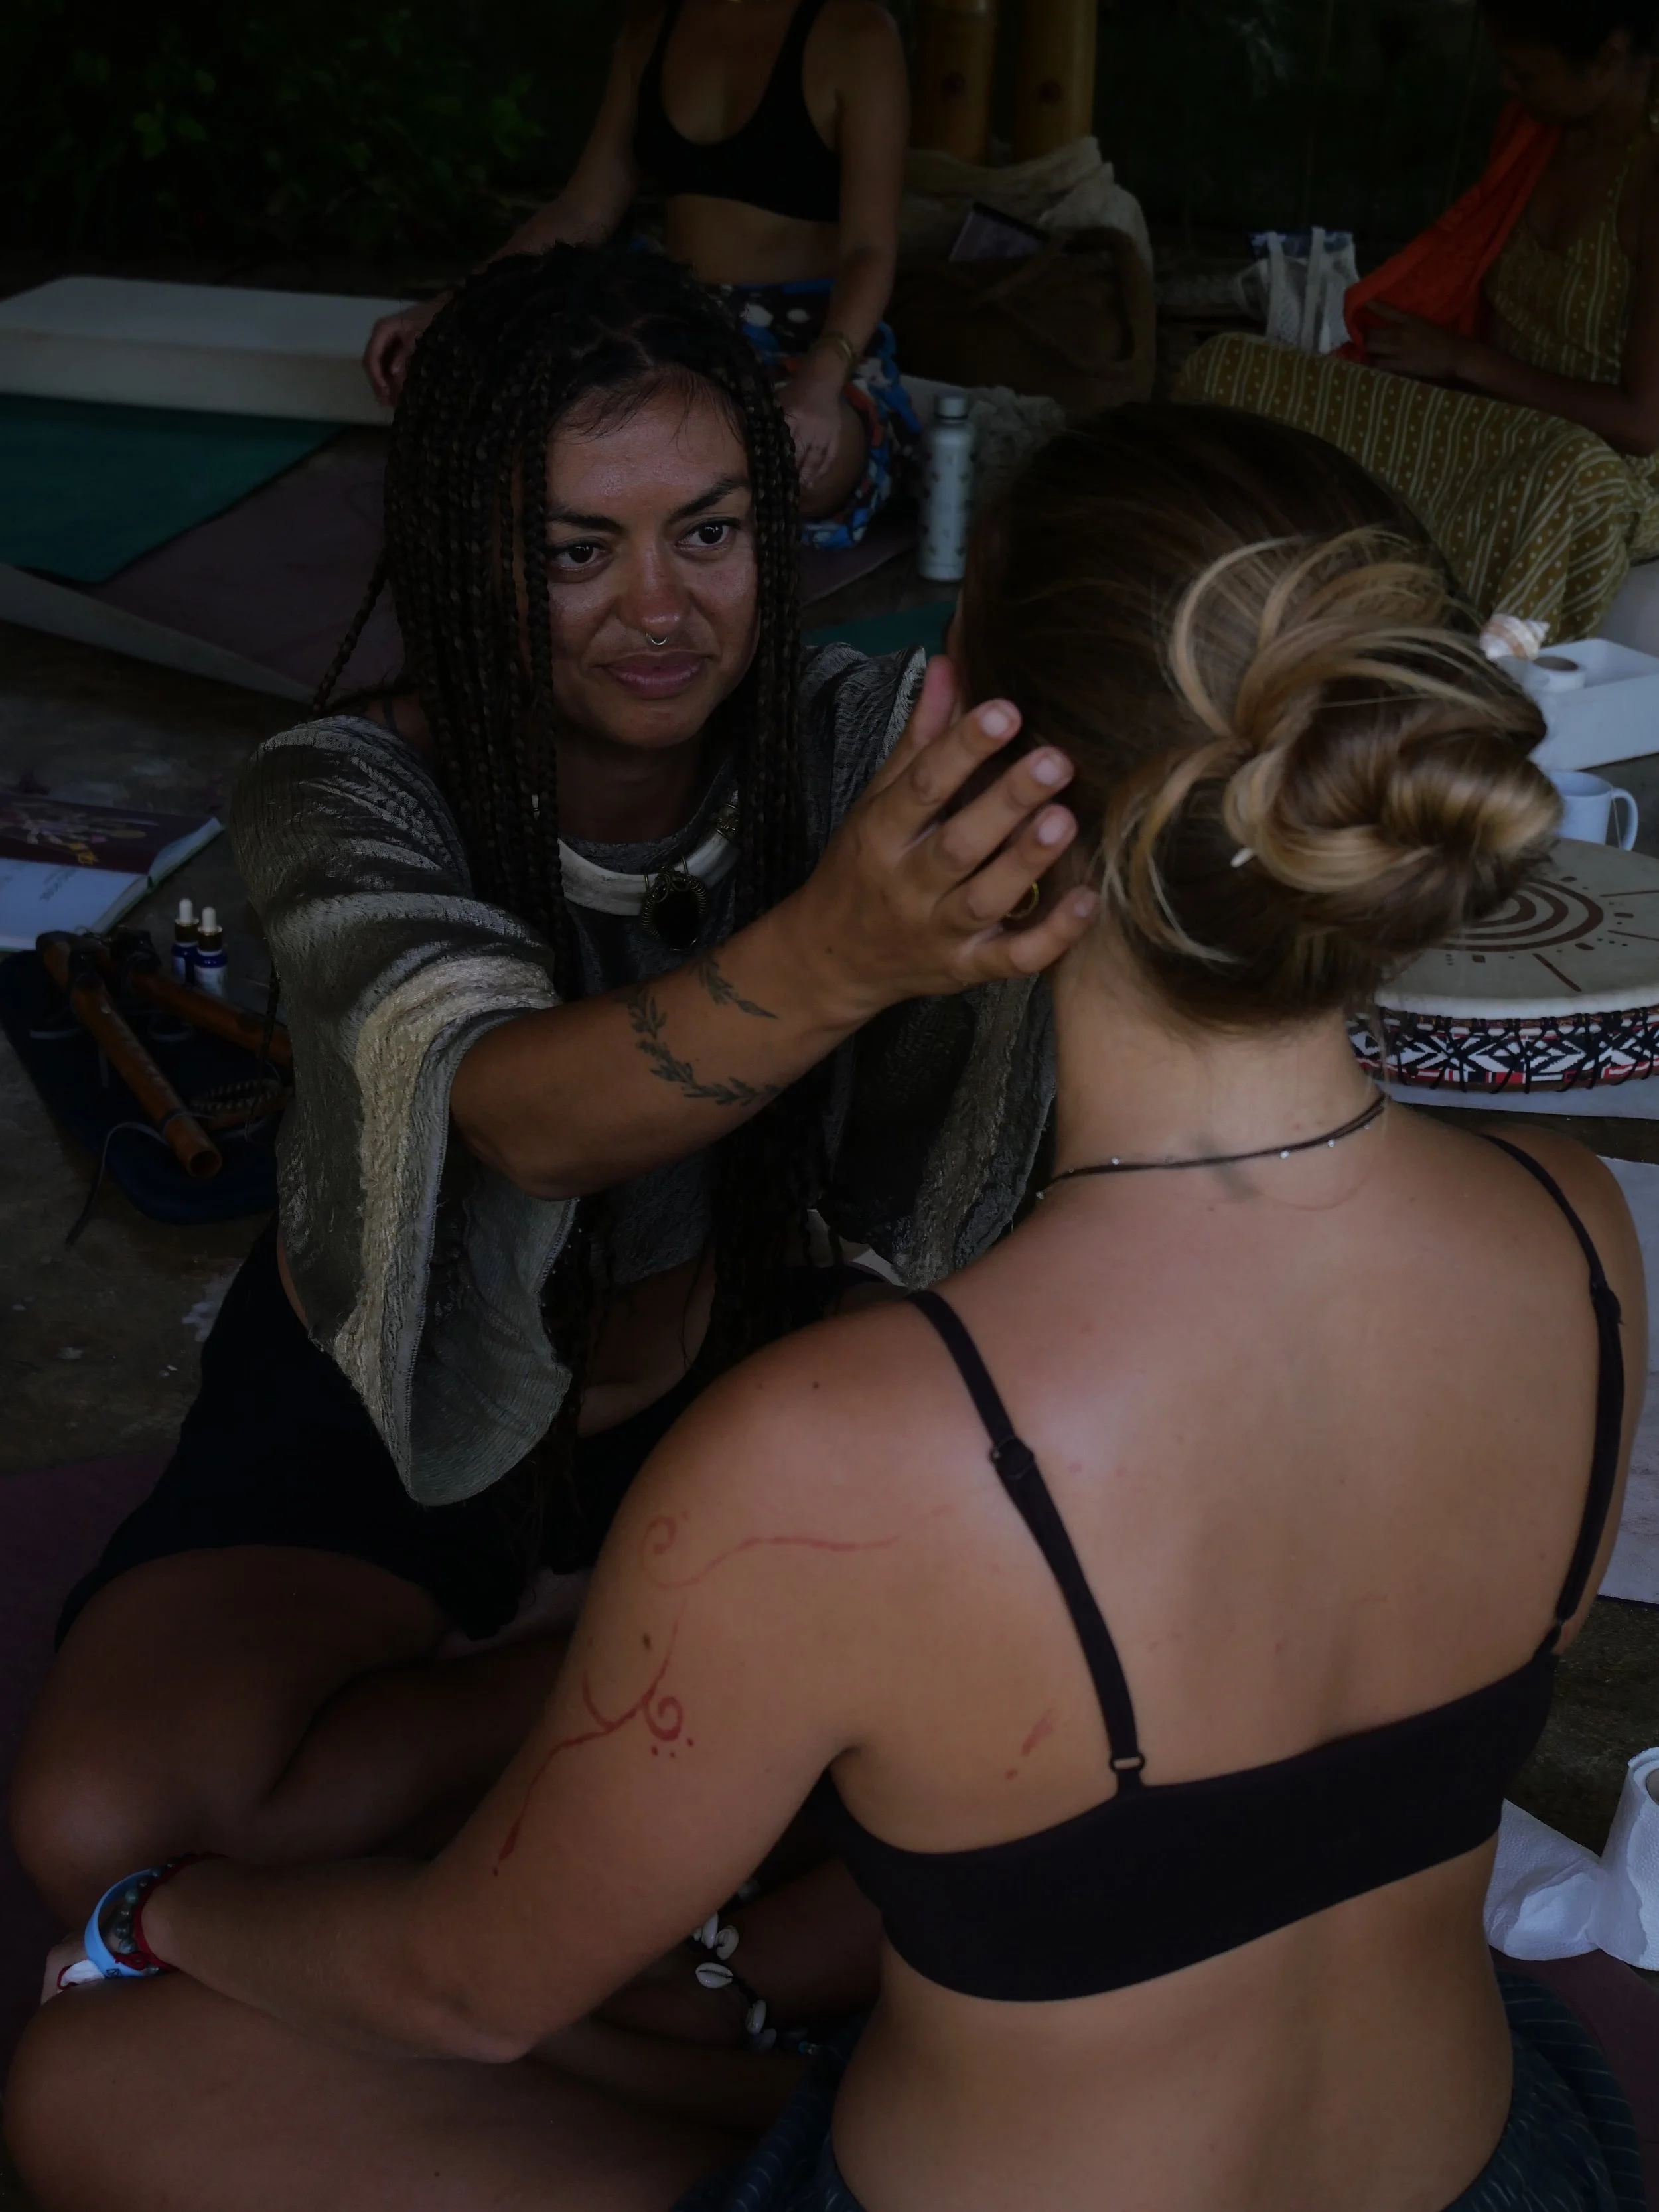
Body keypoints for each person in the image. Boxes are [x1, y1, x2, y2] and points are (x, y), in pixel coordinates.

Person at [9, 404, 1648, 2212]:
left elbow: (463, 1987)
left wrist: (158, 1910)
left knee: (103, 2066)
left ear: (947, 731)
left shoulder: (854, 1445)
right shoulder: (1574, 1231)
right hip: (1492, 2169)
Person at [9, 244, 1087, 1939]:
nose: (659, 611)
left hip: (751, 1380)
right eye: (575, 552)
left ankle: (713, 1662)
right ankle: (689, 1663)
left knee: (1015, 1792)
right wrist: (842, 953)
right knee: (105, 1819)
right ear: (461, 550)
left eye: (710, 533)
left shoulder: (860, 738)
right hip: (395, 1373)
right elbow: (515, 1115)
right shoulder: (343, 791)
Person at [1181, 0, 1659, 645]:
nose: (1506, 86)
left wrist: (1462, 360)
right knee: (1232, 367)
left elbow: (1641, 424)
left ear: (1606, 60)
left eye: (1524, 72)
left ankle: (1483, 684)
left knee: (1576, 473)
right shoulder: (1535, 133)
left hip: (1606, 464)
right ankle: (1202, 595)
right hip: (1490, 420)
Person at [364, 0, 915, 548]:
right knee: (490, 421)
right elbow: (582, 211)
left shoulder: (858, 33)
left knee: (784, 461)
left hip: (818, 343)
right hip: (680, 329)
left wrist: (821, 379)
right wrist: (451, 306)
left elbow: (870, 248)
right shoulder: (652, 30)